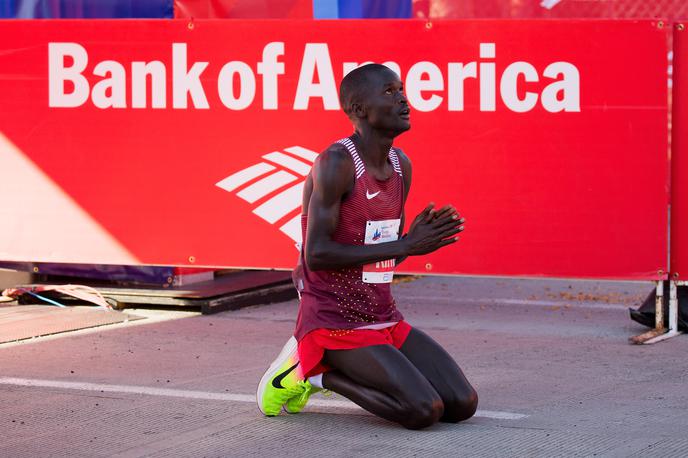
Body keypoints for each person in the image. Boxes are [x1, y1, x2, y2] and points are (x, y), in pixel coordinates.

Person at [256, 63, 478, 430]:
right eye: (390, 92)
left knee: (461, 404)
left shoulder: (400, 165)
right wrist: (405, 243)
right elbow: (317, 254)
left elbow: (386, 255)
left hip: (382, 315)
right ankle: (313, 374)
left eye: (402, 90)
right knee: (423, 411)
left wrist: (416, 244)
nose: (404, 99)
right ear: (359, 110)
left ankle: (322, 369)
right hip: (333, 320)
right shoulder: (336, 163)